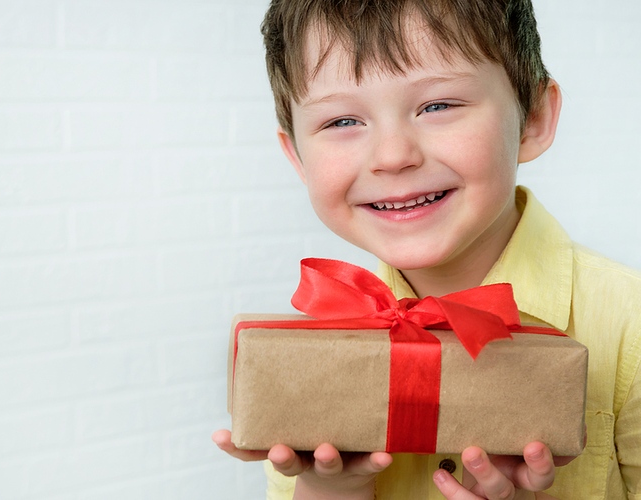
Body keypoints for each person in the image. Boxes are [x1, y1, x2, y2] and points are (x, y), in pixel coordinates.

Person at [212, 0, 641, 498]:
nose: (393, 157)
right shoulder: (312, 353)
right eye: (342, 121)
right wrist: (332, 488)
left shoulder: (631, 326)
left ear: (534, 118)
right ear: (298, 157)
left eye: (437, 106)